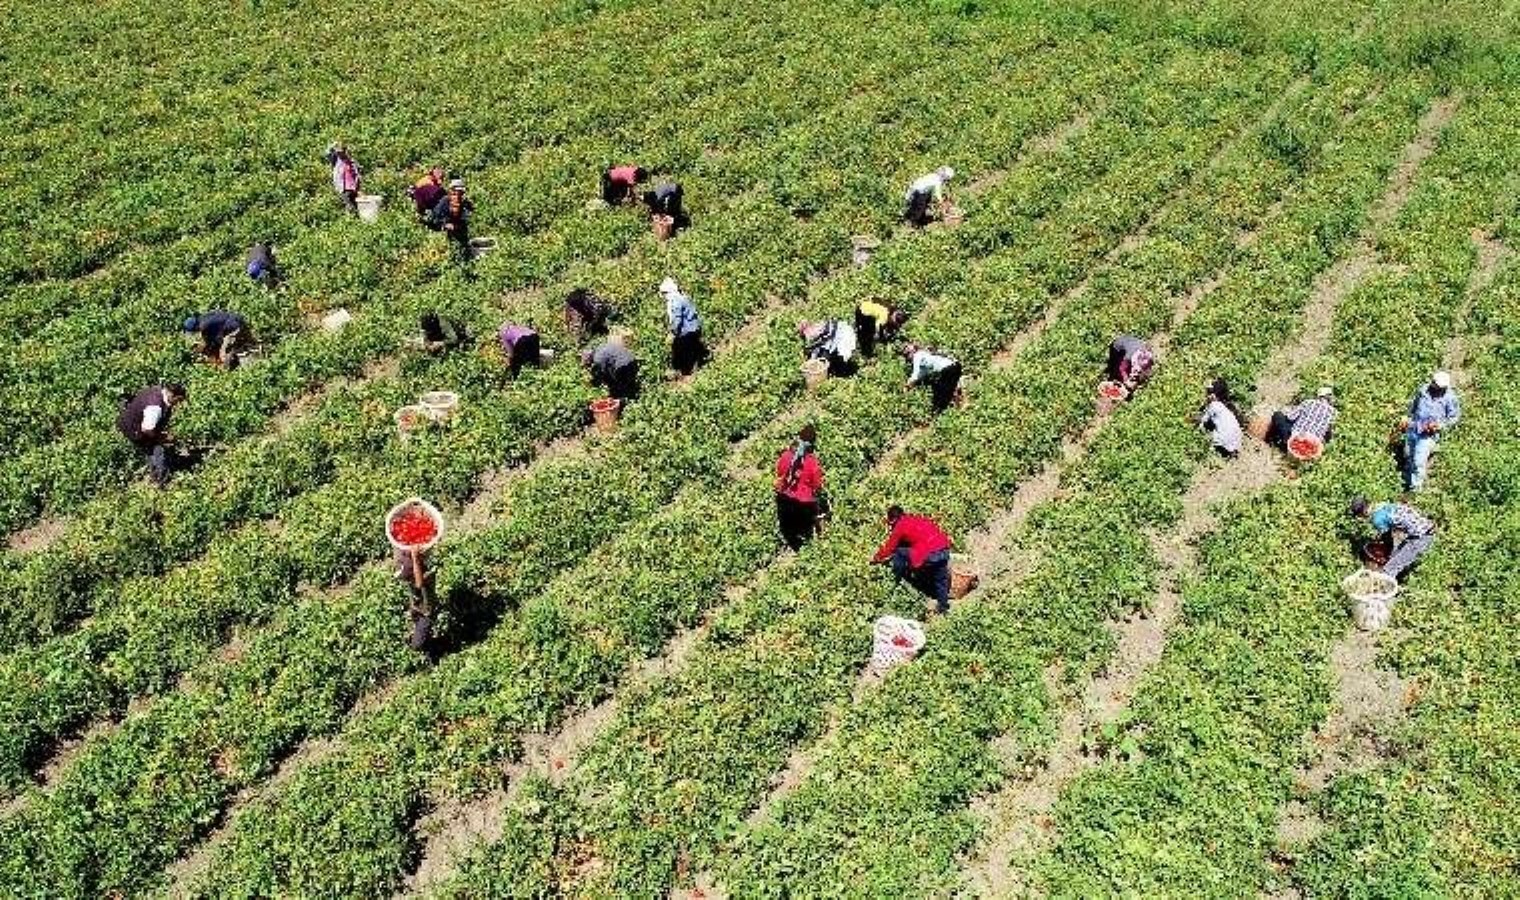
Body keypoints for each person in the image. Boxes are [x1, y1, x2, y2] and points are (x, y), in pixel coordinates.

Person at [871, 505, 954, 614]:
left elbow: (889, 549)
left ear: (893, 519)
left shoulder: (900, 526)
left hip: (930, 554)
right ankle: (943, 607)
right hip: (944, 549)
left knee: (899, 552)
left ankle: (897, 577)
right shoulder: (918, 518)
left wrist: (875, 559)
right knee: (941, 579)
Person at [1349, 497, 1436, 582]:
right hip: (1424, 527)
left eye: (1359, 516)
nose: (1360, 519)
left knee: (1389, 569)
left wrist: (1386, 554)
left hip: (1422, 537)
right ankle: (1401, 573)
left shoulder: (1377, 519)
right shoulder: (1381, 505)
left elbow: (1388, 539)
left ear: (1363, 512)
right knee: (1396, 556)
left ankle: (1385, 592)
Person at [116, 383, 187, 488]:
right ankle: (161, 481)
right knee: (157, 450)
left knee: (153, 448)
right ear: (172, 395)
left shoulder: (158, 391)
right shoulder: (155, 407)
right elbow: (147, 429)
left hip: (135, 421)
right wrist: (162, 438)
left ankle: (155, 473)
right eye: (179, 400)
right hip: (134, 429)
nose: (179, 404)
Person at [1402, 370, 1460, 491]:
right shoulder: (1423, 390)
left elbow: (1454, 417)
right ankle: (1406, 481)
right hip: (1414, 427)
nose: (1434, 386)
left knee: (1419, 461)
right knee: (1410, 456)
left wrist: (1440, 425)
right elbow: (1413, 405)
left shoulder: (1450, 398)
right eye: (1434, 383)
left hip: (1428, 434)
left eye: (1438, 385)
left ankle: (1415, 489)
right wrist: (1406, 417)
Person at [774, 425, 826, 551]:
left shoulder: (785, 456)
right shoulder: (812, 463)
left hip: (784, 500)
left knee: (790, 527)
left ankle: (791, 535)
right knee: (813, 517)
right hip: (803, 505)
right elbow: (817, 486)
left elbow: (780, 473)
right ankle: (817, 541)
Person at [1266, 386, 1336, 451]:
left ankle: (1269, 440)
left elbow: (1290, 417)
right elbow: (1329, 434)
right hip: (1313, 446)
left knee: (1278, 415)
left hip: (1295, 439)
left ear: (1319, 396)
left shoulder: (1308, 402)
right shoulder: (1334, 413)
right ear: (1330, 398)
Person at [393, 544, 436, 651]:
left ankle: (423, 647)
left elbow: (419, 584)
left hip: (425, 614)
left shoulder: (427, 574)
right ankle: (422, 637)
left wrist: (415, 558)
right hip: (416, 607)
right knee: (415, 618)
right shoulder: (412, 574)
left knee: (417, 644)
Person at [662, 277, 707, 375]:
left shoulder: (675, 301)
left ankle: (685, 372)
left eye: (664, 293)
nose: (663, 296)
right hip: (694, 327)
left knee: (682, 350)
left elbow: (677, 319)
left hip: (687, 330)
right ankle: (698, 368)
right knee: (693, 350)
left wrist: (673, 332)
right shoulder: (683, 297)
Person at [902, 343, 962, 412]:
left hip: (948, 369)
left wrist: (906, 387)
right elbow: (921, 374)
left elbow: (915, 375)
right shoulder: (925, 355)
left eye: (907, 354)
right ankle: (957, 407)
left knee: (940, 394)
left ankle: (939, 411)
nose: (908, 357)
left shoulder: (917, 355)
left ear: (912, 352)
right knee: (942, 389)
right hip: (955, 366)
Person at [183, 310, 249, 368]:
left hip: (235, 327)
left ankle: (227, 372)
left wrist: (198, 351)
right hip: (235, 320)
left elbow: (210, 341)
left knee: (223, 353)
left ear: (195, 327)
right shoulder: (203, 318)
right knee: (217, 345)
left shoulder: (204, 326)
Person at [1198, 378, 1243, 458]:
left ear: (1214, 395)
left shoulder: (1214, 405)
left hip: (1222, 439)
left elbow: (1201, 420)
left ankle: (1212, 448)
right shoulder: (1227, 407)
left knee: (1201, 435)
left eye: (1208, 392)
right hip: (1236, 442)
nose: (1206, 394)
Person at [431, 179, 474, 262]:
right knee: (449, 247)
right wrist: (445, 224)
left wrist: (459, 223)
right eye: (454, 192)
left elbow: (468, 215)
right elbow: (434, 218)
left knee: (463, 246)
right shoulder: (444, 202)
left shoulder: (465, 203)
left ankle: (465, 259)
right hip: (444, 229)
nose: (457, 195)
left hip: (460, 228)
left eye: (460, 192)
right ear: (451, 191)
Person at [330, 144, 361, 215]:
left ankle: (353, 221)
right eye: (338, 153)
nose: (339, 154)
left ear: (344, 151)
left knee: (355, 206)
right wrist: (334, 145)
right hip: (343, 188)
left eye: (341, 152)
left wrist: (358, 187)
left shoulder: (351, 161)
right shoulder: (335, 161)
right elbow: (327, 152)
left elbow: (357, 174)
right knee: (349, 206)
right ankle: (349, 220)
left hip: (353, 188)